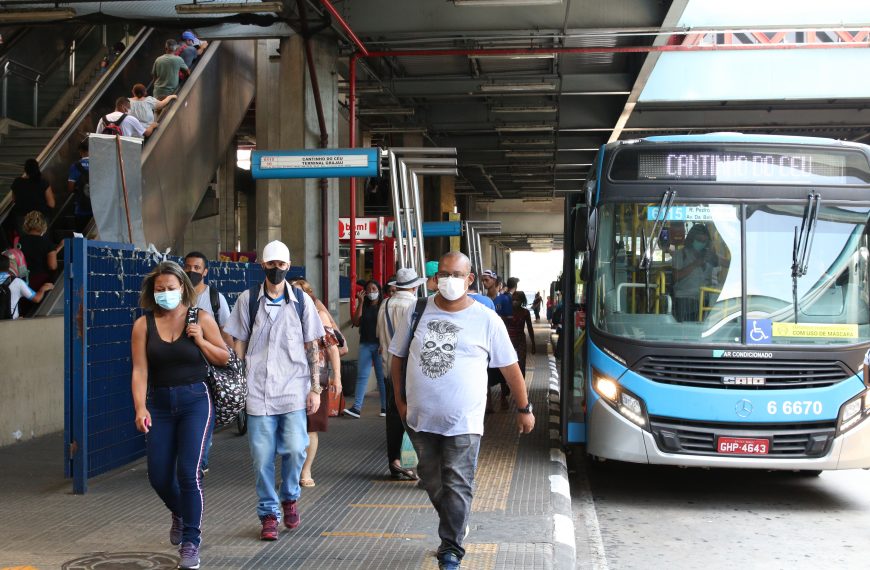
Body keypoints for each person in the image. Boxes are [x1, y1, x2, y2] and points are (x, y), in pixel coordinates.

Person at [389, 252, 535, 570]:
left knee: (457, 482)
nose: (449, 280)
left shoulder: (485, 320)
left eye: (456, 274)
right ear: (435, 277)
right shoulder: (416, 312)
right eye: (443, 273)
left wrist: (524, 408)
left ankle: (451, 547)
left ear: (469, 280)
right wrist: (400, 402)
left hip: (464, 421)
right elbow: (397, 358)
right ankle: (457, 520)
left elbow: (511, 368)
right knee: (431, 479)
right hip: (419, 418)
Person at [223, 240, 324, 541]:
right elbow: (238, 340)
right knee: (261, 455)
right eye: (271, 264)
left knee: (295, 448)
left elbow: (313, 345)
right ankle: (269, 513)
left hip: (293, 388)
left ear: (288, 266)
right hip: (257, 390)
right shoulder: (247, 299)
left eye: (281, 264)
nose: (277, 269)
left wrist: (316, 388)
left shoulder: (302, 302)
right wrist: (239, 378)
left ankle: (290, 496)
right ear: (263, 265)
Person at [130, 261, 228, 570]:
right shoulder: (143, 325)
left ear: (183, 289)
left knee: (189, 472)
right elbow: (139, 370)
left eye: (171, 289)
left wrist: (200, 339)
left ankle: (191, 542)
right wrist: (140, 407)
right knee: (158, 476)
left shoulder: (201, 318)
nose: (166, 294)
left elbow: (225, 356)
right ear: (152, 291)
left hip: (195, 401)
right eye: (160, 290)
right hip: (159, 404)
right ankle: (180, 511)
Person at [182, 251, 233, 474]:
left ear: (205, 272)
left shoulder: (214, 297)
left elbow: (227, 332)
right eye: (188, 267)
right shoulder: (177, 295)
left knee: (204, 414)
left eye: (196, 268)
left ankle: (200, 461)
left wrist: (230, 359)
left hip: (209, 365)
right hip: (182, 365)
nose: (191, 272)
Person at [376, 267, 426, 481]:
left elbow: (380, 336)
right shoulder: (415, 306)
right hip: (410, 370)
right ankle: (414, 462)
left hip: (389, 368)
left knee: (394, 416)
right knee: (414, 415)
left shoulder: (385, 304)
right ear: (414, 286)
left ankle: (394, 459)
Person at [293, 279, 342, 488]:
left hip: (315, 378)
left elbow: (332, 349)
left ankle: (306, 470)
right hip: (289, 378)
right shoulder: (285, 314)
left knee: (311, 427)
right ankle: (292, 468)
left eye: (302, 292)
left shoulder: (319, 316)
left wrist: (337, 376)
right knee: (291, 426)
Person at [345, 279, 386, 418]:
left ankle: (385, 407)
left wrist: (384, 343)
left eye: (374, 289)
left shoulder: (383, 306)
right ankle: (356, 408)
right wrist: (361, 302)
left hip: (380, 345)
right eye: (368, 289)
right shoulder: (365, 305)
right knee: (362, 376)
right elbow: (356, 322)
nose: (371, 292)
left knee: (381, 377)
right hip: (365, 344)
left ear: (379, 291)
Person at [672, 224, 719, 322]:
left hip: (705, 299)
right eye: (699, 240)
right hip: (685, 299)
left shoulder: (709, 256)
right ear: (691, 239)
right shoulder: (680, 254)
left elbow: (727, 263)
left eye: (704, 241)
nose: (701, 243)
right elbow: (676, 276)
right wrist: (696, 263)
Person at [17, 211, 61, 292]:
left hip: (22, 280)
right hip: (41, 281)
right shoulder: (47, 243)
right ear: (43, 225)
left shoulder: (19, 241)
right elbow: (52, 266)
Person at [0, 253, 53, 320]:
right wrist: (42, 289)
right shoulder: (17, 282)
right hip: (9, 323)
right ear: (9, 266)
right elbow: (37, 299)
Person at [11, 159, 55, 235]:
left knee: (24, 242)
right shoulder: (43, 183)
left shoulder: (17, 182)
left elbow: (14, 200)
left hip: (22, 218)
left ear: (25, 170)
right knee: (41, 243)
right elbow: (51, 204)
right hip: (40, 218)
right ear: (37, 169)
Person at [505, 291, 536, 377]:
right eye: (513, 299)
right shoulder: (506, 311)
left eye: (517, 300)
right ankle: (506, 387)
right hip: (508, 340)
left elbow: (530, 328)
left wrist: (533, 343)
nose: (515, 301)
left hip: (520, 340)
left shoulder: (525, 312)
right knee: (507, 364)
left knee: (521, 364)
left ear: (522, 301)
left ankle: (521, 386)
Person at [67, 139, 92, 231]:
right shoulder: (98, 164)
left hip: (81, 208)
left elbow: (70, 188)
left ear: (80, 151)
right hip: (97, 209)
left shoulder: (75, 166)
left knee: (80, 235)